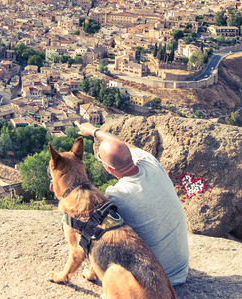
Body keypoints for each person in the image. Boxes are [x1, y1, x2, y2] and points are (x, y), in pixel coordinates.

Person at [77, 121, 189, 286]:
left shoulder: (116, 195)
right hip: (180, 268)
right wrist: (94, 131)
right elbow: (123, 145)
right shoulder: (150, 163)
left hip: (153, 281)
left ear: (108, 168)